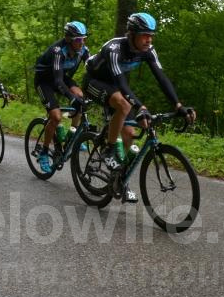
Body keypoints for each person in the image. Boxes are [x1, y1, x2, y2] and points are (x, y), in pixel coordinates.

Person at [84, 12, 195, 196]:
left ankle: (118, 177)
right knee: (124, 105)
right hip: (94, 82)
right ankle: (108, 150)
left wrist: (178, 105)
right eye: (145, 35)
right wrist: (140, 107)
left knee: (129, 134)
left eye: (151, 35)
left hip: (115, 86)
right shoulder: (114, 49)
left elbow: (162, 78)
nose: (149, 40)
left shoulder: (148, 51)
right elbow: (121, 84)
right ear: (132, 34)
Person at [33, 21, 90, 172]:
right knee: (56, 117)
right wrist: (71, 98)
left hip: (61, 77)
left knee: (80, 96)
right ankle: (44, 152)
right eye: (78, 39)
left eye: (84, 38)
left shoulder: (83, 50)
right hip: (44, 81)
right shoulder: (58, 51)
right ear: (69, 39)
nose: (82, 42)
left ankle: (72, 133)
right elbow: (57, 82)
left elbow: (92, 71)